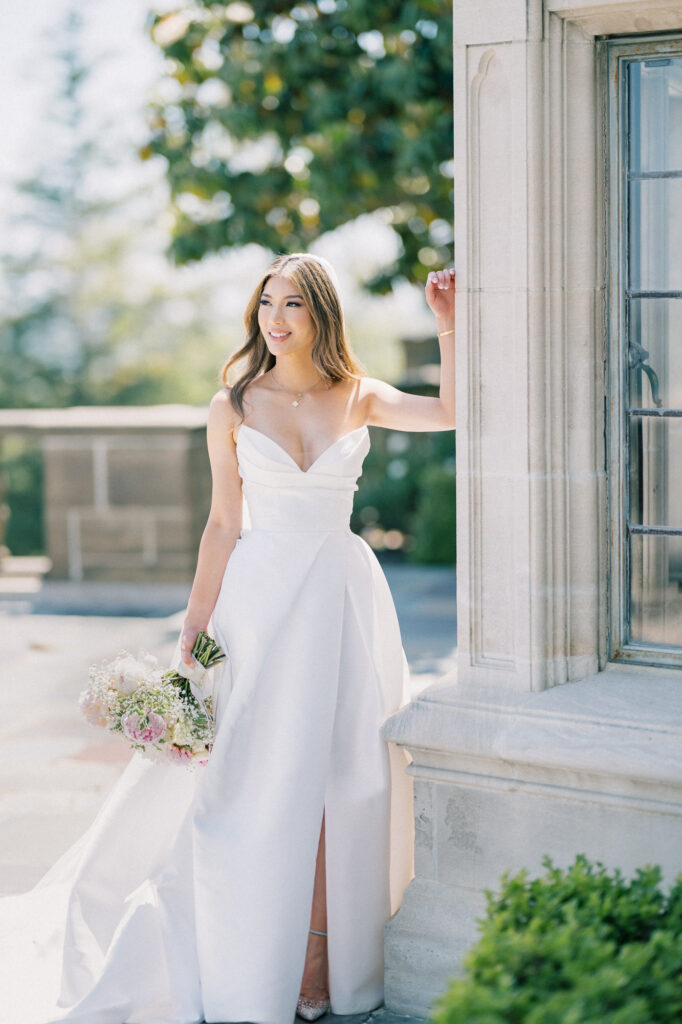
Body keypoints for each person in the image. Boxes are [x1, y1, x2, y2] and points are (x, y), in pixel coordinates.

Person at [0, 252, 455, 1024]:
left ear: (321, 316)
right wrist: (194, 632)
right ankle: (239, 959)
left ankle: (320, 962)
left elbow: (454, 412)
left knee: (349, 777)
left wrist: (448, 325)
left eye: (294, 306)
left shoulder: (359, 395)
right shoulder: (236, 404)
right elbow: (222, 523)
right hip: (260, 603)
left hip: (344, 598)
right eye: (267, 304)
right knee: (251, 782)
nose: (276, 320)